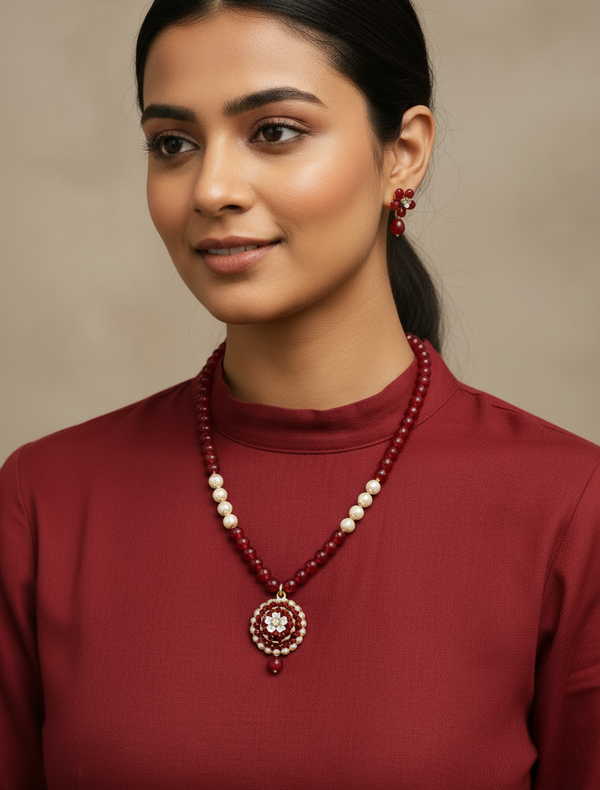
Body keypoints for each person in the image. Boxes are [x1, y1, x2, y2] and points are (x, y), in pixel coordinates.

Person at [0, 0, 598, 787]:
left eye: (274, 131)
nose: (212, 188)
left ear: (403, 153)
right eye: (173, 143)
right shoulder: (43, 501)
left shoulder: (571, 511)